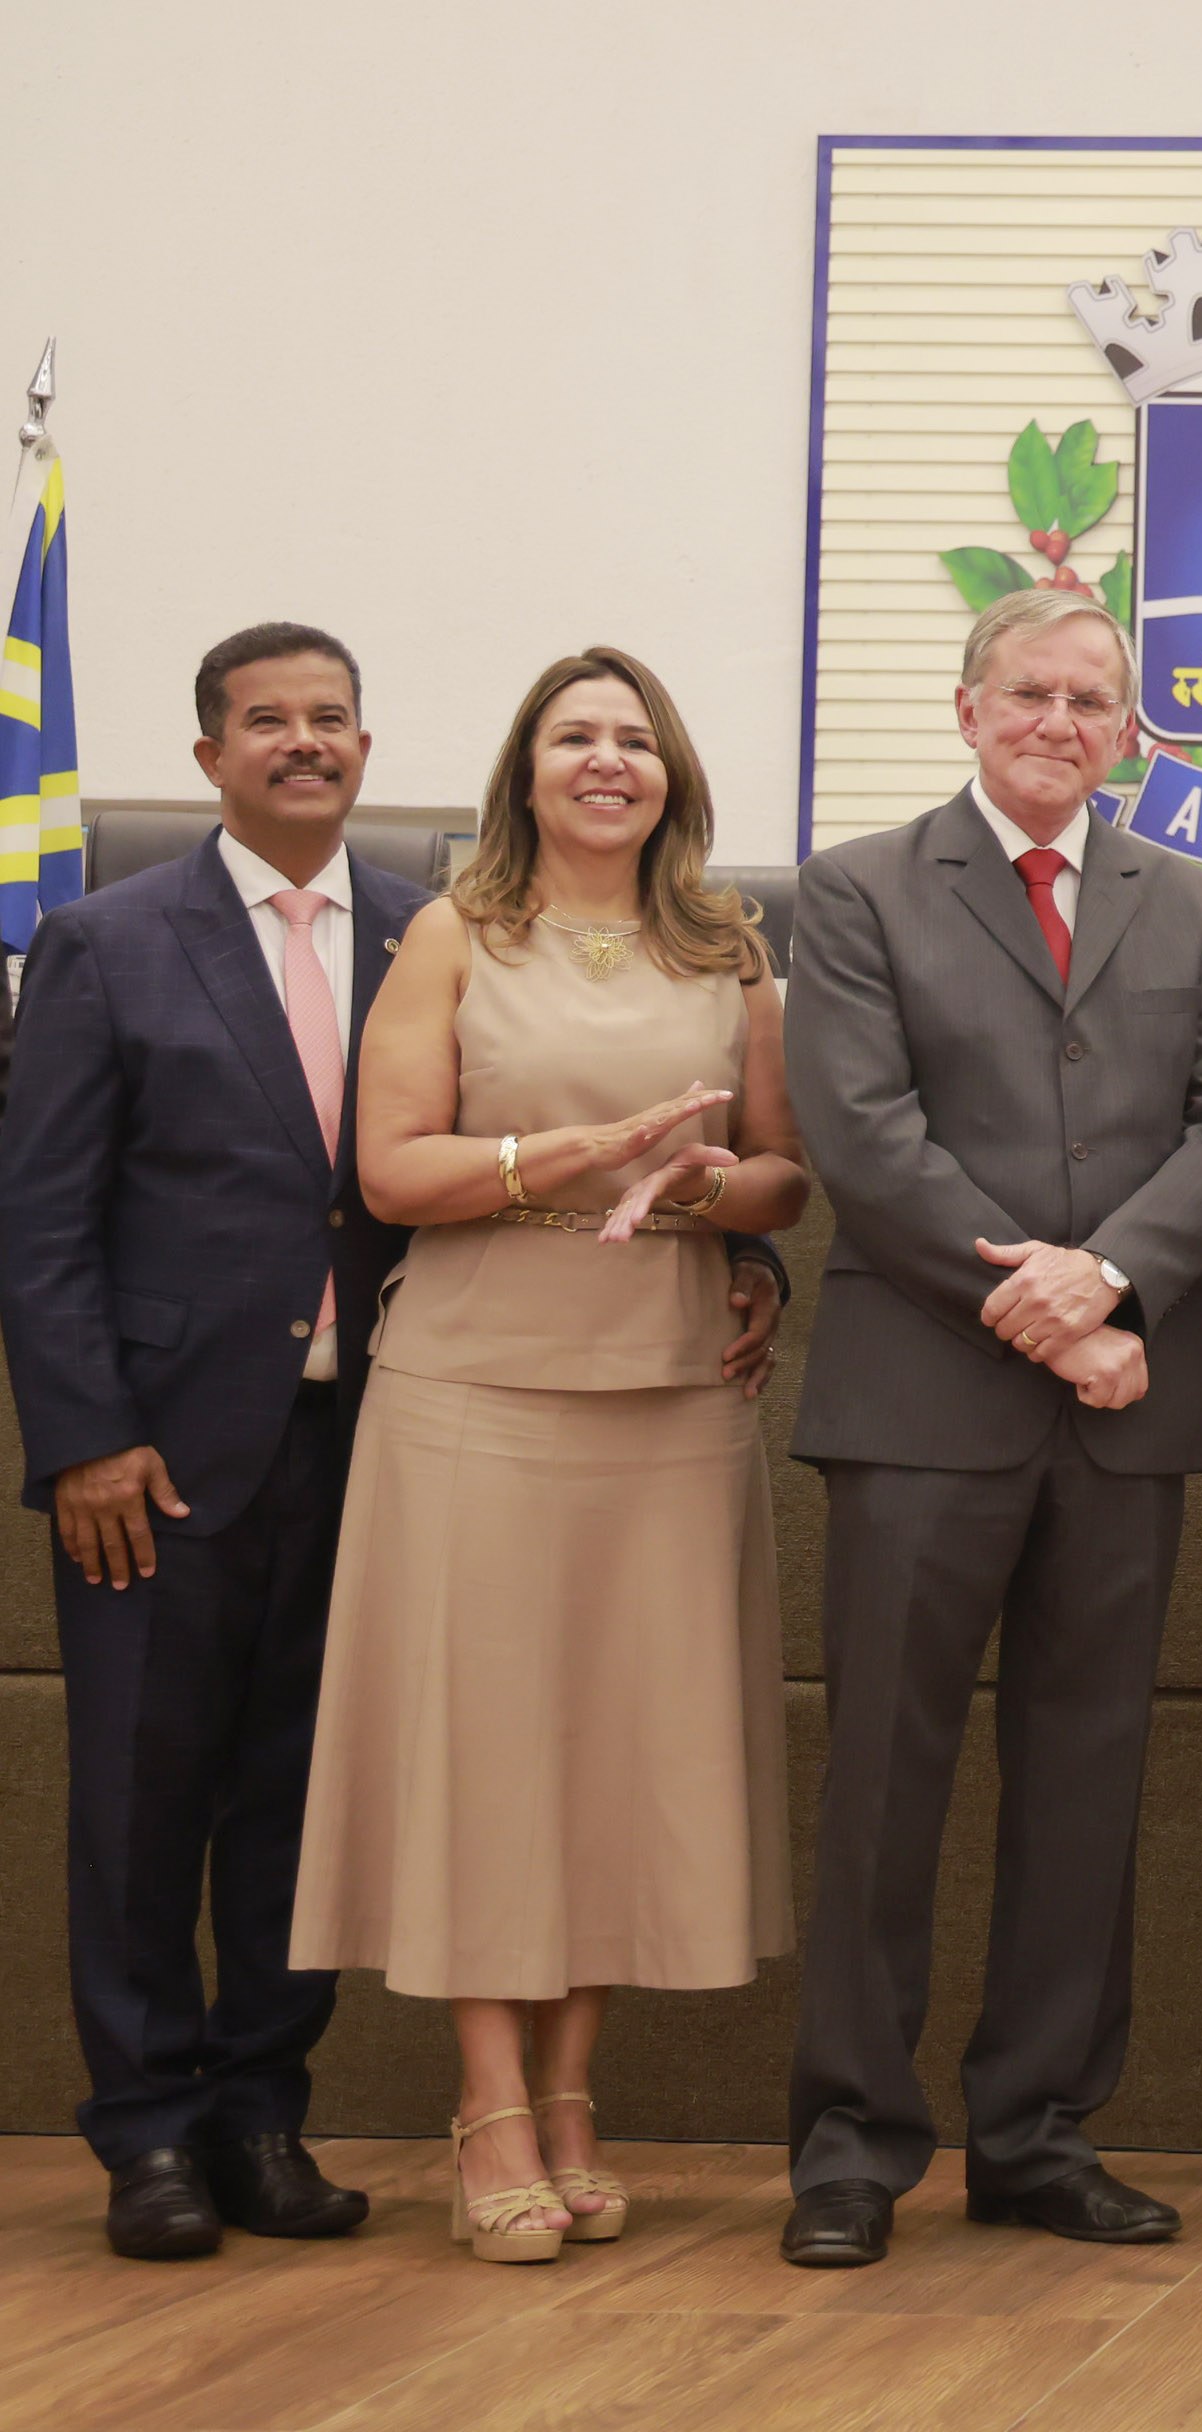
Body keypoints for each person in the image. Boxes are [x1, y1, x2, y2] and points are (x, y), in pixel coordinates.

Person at [0, 625, 783, 2263]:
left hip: (369, 1422)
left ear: (368, 745)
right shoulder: (111, 939)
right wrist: (84, 1435)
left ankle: (258, 2118)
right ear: (209, 753)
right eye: (269, 720)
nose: (305, 742)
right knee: (144, 1789)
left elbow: (734, 1151)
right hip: (178, 1443)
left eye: (332, 719)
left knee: (299, 1794)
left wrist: (743, 1248)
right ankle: (147, 2133)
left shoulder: (410, 920)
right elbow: (47, 1214)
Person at [287, 646, 807, 2262]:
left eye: (633, 739)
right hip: (473, 1393)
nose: (605, 761)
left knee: (619, 1754)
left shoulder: (731, 948)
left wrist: (700, 1191)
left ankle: (574, 2095)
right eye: (574, 735)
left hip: (669, 1394)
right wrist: (556, 1158)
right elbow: (388, 1172)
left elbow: (785, 1177)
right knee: (485, 1755)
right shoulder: (456, 932)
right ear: (525, 768)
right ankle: (491, 2103)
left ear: (671, 775)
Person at [777, 586, 1202, 2268]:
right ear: (968, 709)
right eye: (1030, 693)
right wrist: (1058, 1315)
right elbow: (862, 1136)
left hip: (1123, 1413)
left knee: (1086, 1780)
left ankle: (1039, 2133)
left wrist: (1111, 1278)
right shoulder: (858, 888)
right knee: (881, 1781)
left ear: (1130, 730)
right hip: (923, 1401)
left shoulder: (1199, 905)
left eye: (1091, 700)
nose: (1060, 722)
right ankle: (851, 2145)